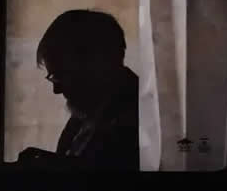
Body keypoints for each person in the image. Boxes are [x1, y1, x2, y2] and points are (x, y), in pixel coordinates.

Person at [15, 9, 139, 171]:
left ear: (95, 64)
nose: (56, 90)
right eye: (53, 77)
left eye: (60, 75)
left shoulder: (135, 116)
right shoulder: (89, 110)